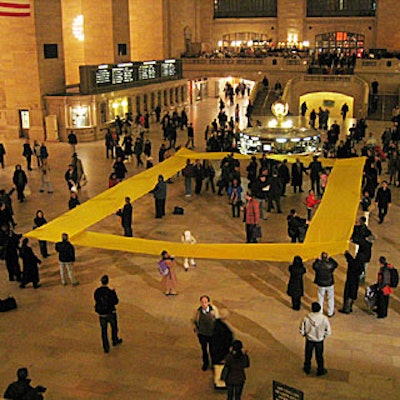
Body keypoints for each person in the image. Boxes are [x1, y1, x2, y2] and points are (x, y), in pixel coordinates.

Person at [299, 302, 331, 376]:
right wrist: (323, 336)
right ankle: (320, 370)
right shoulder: (324, 318)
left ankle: (307, 368)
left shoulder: (306, 318)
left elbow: (302, 329)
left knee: (308, 355)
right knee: (319, 356)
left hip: (309, 340)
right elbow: (328, 331)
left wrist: (304, 334)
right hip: (319, 340)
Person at [94, 274, 123, 353]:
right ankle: (115, 340)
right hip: (110, 312)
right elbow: (116, 301)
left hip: (101, 314)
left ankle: (106, 347)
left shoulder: (97, 291)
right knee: (114, 327)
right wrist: (114, 292)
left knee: (103, 331)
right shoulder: (110, 292)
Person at [193, 295, 219, 371]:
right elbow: (194, 321)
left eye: (205, 302)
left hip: (212, 334)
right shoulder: (198, 311)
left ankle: (214, 363)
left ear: (208, 302)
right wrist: (197, 331)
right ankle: (206, 363)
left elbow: (217, 320)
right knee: (204, 350)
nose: (204, 304)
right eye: (202, 302)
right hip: (202, 334)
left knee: (213, 350)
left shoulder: (213, 310)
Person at [313, 252, 338, 317]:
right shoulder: (330, 265)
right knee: (330, 298)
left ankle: (320, 311)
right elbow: (335, 264)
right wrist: (330, 258)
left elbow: (314, 266)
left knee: (320, 297)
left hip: (321, 284)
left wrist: (317, 260)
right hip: (329, 283)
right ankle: (330, 312)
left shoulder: (318, 265)